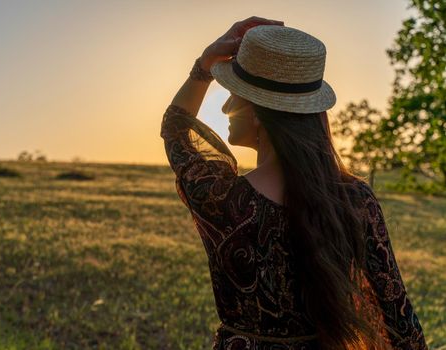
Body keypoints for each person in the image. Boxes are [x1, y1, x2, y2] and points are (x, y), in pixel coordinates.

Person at [160, 17, 428, 350]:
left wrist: (204, 66)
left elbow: (175, 128)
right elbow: (401, 321)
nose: (226, 106)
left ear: (258, 112)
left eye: (234, 96)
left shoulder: (223, 199)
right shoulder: (356, 200)